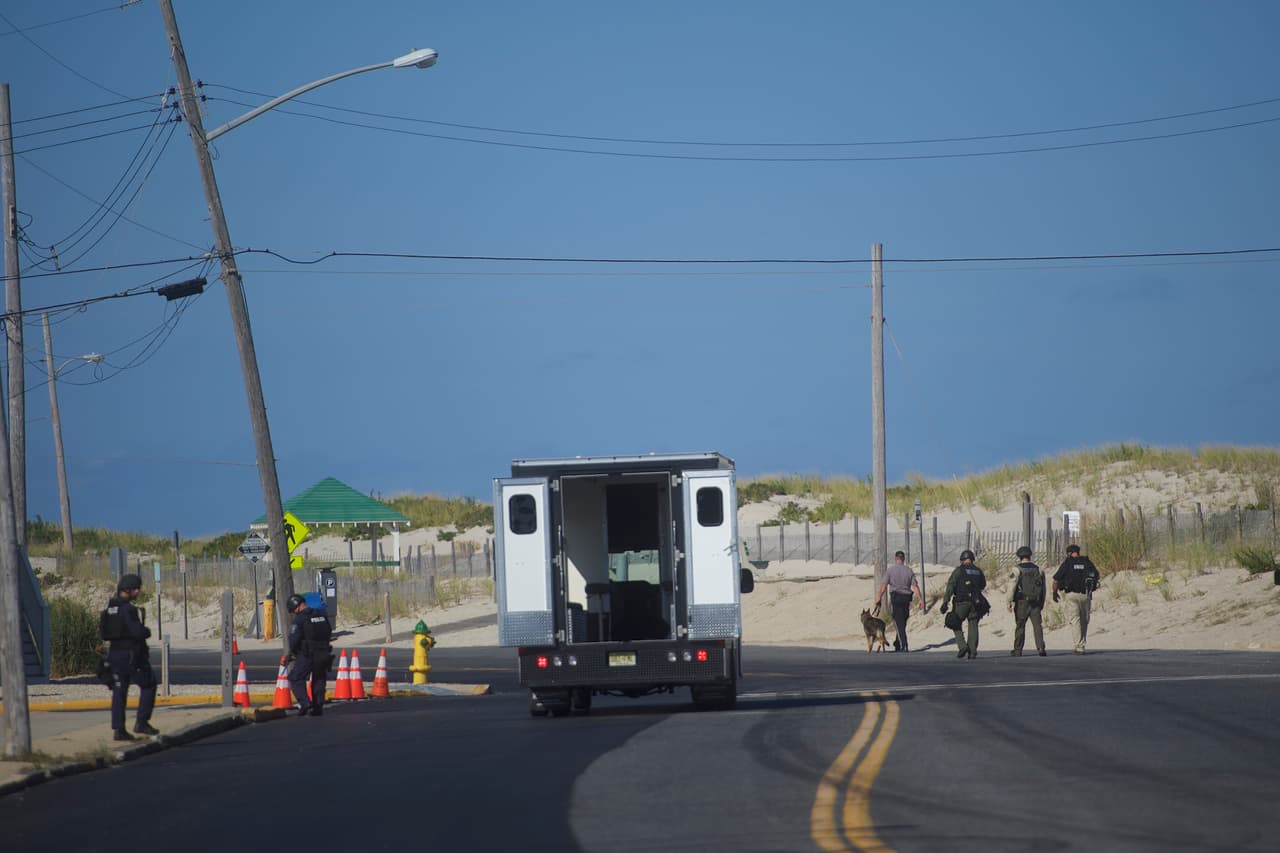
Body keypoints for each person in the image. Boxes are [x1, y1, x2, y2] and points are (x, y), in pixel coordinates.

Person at [99, 573, 158, 741]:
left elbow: (104, 633)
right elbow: (137, 631)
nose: (138, 591)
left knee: (119, 692)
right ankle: (141, 722)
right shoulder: (129, 610)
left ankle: (119, 729)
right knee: (148, 685)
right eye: (136, 589)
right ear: (129, 590)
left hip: (114, 655)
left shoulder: (110, 609)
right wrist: (146, 631)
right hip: (131, 656)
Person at [287, 593, 333, 716]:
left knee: (295, 677)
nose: (293, 614)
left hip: (307, 654)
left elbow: (294, 639)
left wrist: (293, 653)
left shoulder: (300, 619)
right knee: (319, 679)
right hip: (323, 652)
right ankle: (318, 707)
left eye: (292, 611)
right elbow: (329, 632)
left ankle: (305, 703)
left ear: (296, 607)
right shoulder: (321, 615)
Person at [1053, 544, 1101, 655]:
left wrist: (1054, 593)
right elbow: (1097, 575)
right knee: (1085, 620)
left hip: (1072, 595)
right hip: (1086, 595)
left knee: (1075, 620)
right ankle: (1082, 644)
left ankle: (1079, 645)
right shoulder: (1087, 562)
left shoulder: (1067, 563)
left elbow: (1056, 580)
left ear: (1069, 553)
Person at [940, 549, 987, 659]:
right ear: (972, 559)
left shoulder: (959, 570)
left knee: (954, 623)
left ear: (963, 560)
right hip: (975, 603)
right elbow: (983, 585)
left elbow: (950, 586)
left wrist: (945, 601)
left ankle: (962, 646)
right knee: (973, 625)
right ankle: (973, 651)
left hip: (961, 602)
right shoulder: (978, 571)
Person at [874, 550, 924, 652]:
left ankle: (903, 644)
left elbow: (884, 586)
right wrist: (920, 599)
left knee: (898, 621)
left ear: (895, 558)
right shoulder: (909, 571)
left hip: (896, 598)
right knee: (903, 621)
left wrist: (879, 596)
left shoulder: (890, 570)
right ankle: (898, 643)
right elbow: (915, 586)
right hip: (906, 598)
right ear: (904, 559)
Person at [1006, 546, 1047, 657]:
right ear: (1030, 556)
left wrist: (1009, 601)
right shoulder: (1038, 569)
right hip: (1036, 602)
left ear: (1019, 557)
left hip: (1022, 602)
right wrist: (1042, 602)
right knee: (1037, 625)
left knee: (1020, 626)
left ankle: (1018, 650)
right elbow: (1043, 588)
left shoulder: (1017, 569)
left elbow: (1011, 587)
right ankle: (1041, 647)